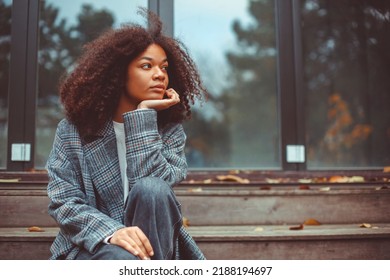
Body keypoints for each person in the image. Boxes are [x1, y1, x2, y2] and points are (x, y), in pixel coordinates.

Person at [46, 9, 207, 260]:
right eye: (147, 66)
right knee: (122, 257)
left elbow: (156, 193)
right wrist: (114, 232)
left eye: (164, 68)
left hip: (155, 247)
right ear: (119, 75)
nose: (159, 75)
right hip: (93, 245)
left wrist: (143, 115)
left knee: (152, 189)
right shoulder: (74, 132)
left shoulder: (169, 133)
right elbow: (64, 202)